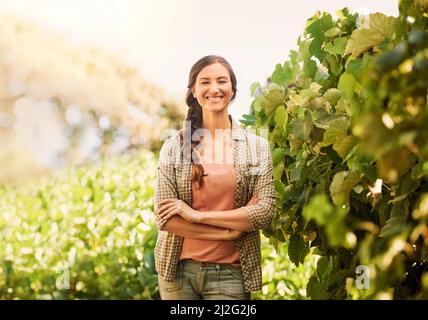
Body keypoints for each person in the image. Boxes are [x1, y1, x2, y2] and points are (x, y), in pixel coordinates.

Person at [154, 55, 275, 300]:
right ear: (194, 91)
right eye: (205, 82)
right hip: (177, 274)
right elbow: (165, 219)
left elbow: (265, 211)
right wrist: (227, 231)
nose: (214, 88)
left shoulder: (256, 147)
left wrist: (197, 216)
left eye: (222, 81)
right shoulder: (174, 146)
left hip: (231, 274)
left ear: (232, 89)